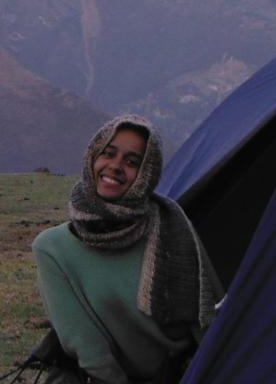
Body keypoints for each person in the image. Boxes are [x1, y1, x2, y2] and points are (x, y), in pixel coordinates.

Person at [32, 114, 222, 383]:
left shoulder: (172, 224)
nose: (115, 166)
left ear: (147, 173)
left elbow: (208, 319)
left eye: (132, 162)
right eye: (108, 154)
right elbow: (88, 348)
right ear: (93, 158)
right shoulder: (54, 248)